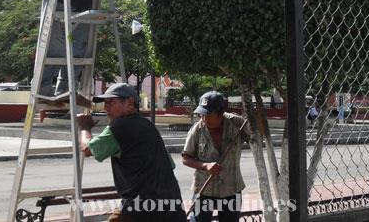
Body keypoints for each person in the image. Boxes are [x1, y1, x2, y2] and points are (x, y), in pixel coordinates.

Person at [77, 83, 187, 222]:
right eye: (105, 103)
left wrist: (84, 127)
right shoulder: (148, 126)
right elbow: (169, 164)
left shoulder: (119, 126)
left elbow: (88, 149)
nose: (106, 107)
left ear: (130, 103)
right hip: (171, 203)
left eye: (111, 102)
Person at [182, 91, 250, 222]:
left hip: (231, 188)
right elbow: (186, 158)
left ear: (220, 113)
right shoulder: (197, 130)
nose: (204, 118)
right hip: (204, 190)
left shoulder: (237, 123)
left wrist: (256, 121)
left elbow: (257, 137)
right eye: (202, 114)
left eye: (209, 114)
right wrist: (205, 166)